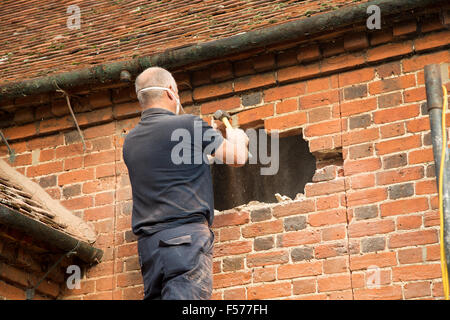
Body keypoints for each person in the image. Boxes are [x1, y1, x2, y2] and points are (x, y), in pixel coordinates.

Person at [122, 67, 249, 300]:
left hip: (150, 249)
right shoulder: (189, 124)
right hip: (185, 242)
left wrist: (203, 140)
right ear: (171, 92)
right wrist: (237, 137)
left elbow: (175, 165)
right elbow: (238, 158)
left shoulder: (130, 142)